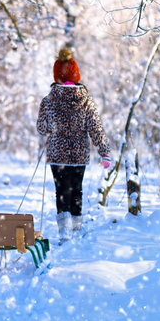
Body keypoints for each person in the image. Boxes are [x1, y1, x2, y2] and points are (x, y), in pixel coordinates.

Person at [36, 48, 111, 244]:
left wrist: (54, 126)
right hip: (78, 154)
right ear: (75, 75)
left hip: (58, 155)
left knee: (62, 190)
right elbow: (95, 128)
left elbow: (42, 128)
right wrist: (105, 152)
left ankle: (64, 232)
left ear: (56, 75)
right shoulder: (85, 99)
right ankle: (77, 227)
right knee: (76, 189)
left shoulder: (49, 100)